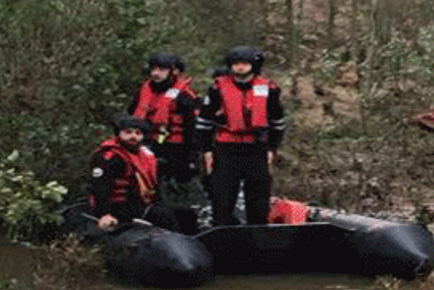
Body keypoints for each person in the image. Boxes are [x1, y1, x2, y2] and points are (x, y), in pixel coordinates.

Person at [194, 46, 287, 226]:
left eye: (244, 64)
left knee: (258, 202)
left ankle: (258, 239)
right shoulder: (217, 89)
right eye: (236, 64)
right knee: (222, 200)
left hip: (256, 148)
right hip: (226, 149)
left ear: (253, 65)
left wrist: (272, 148)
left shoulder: (269, 89)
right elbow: (203, 123)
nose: (240, 68)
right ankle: (223, 240)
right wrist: (206, 150)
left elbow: (278, 122)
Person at [87, 115, 192, 233]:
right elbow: (100, 186)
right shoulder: (110, 157)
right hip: (118, 207)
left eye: (138, 133)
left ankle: (196, 246)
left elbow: (154, 186)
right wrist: (104, 214)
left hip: (140, 205)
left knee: (186, 213)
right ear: (119, 134)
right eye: (128, 132)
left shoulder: (146, 156)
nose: (133, 136)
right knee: (164, 217)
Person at [127, 52, 200, 186]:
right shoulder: (142, 91)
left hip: (176, 149)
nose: (156, 73)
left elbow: (192, 128)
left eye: (161, 70)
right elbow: (131, 116)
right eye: (153, 69)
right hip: (146, 145)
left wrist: (192, 157)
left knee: (175, 184)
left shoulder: (184, 96)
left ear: (171, 72)